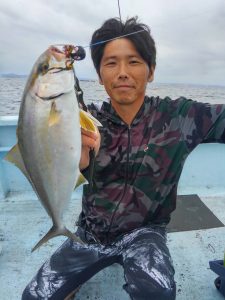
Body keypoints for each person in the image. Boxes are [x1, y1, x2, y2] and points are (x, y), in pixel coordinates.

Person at [22, 17, 225, 300]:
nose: (122, 73)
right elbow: (44, 126)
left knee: (156, 294)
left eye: (133, 61)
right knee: (34, 297)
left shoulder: (180, 117)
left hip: (145, 234)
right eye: (110, 63)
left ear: (151, 70)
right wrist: (75, 159)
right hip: (88, 233)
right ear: (99, 74)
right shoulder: (82, 122)